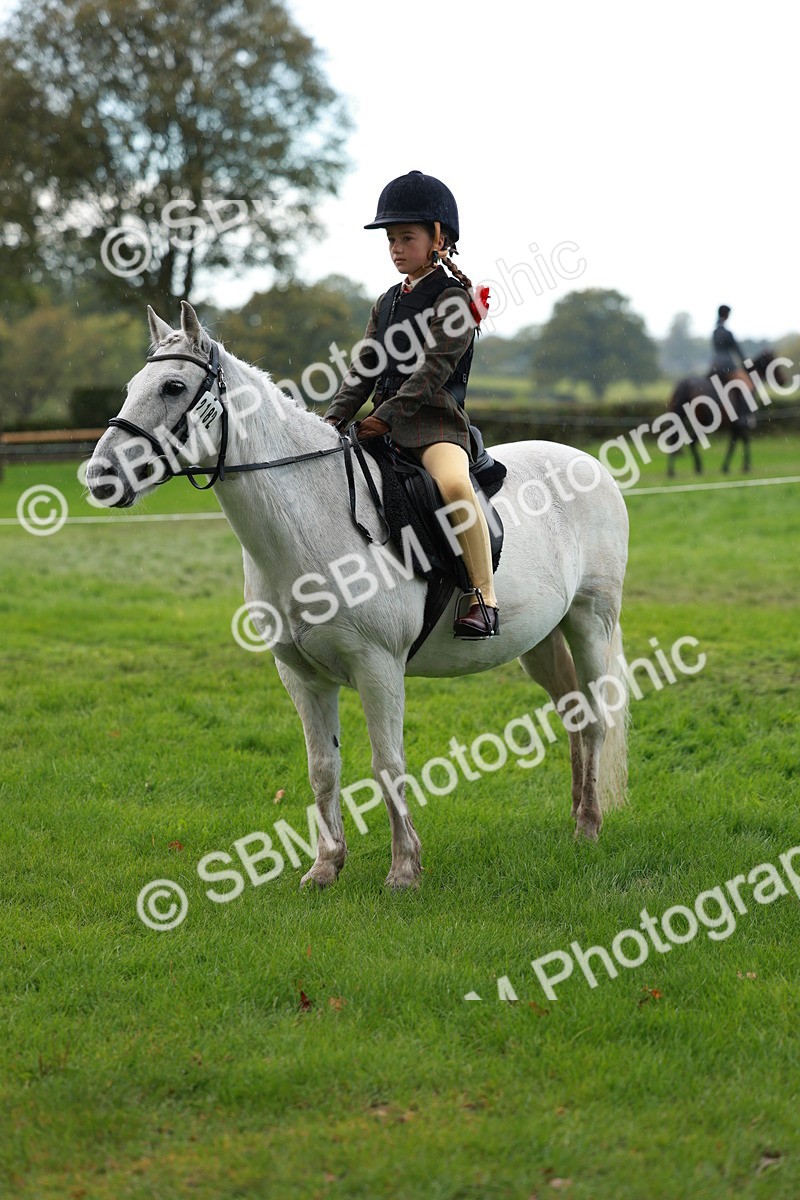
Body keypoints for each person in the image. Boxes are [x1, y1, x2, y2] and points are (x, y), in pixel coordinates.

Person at [322, 170, 498, 639]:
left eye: (407, 237)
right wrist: (334, 419)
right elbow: (363, 370)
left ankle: (482, 595)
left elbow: (430, 375)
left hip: (435, 428)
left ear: (439, 238)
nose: (396, 247)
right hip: (383, 427)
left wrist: (382, 418)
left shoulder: (455, 299)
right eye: (391, 239)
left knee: (456, 487)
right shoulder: (385, 302)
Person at [710, 305, 746, 378]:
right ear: (727, 315)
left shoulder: (715, 332)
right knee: (746, 384)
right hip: (727, 363)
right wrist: (746, 362)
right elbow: (737, 350)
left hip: (715, 363)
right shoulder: (727, 333)